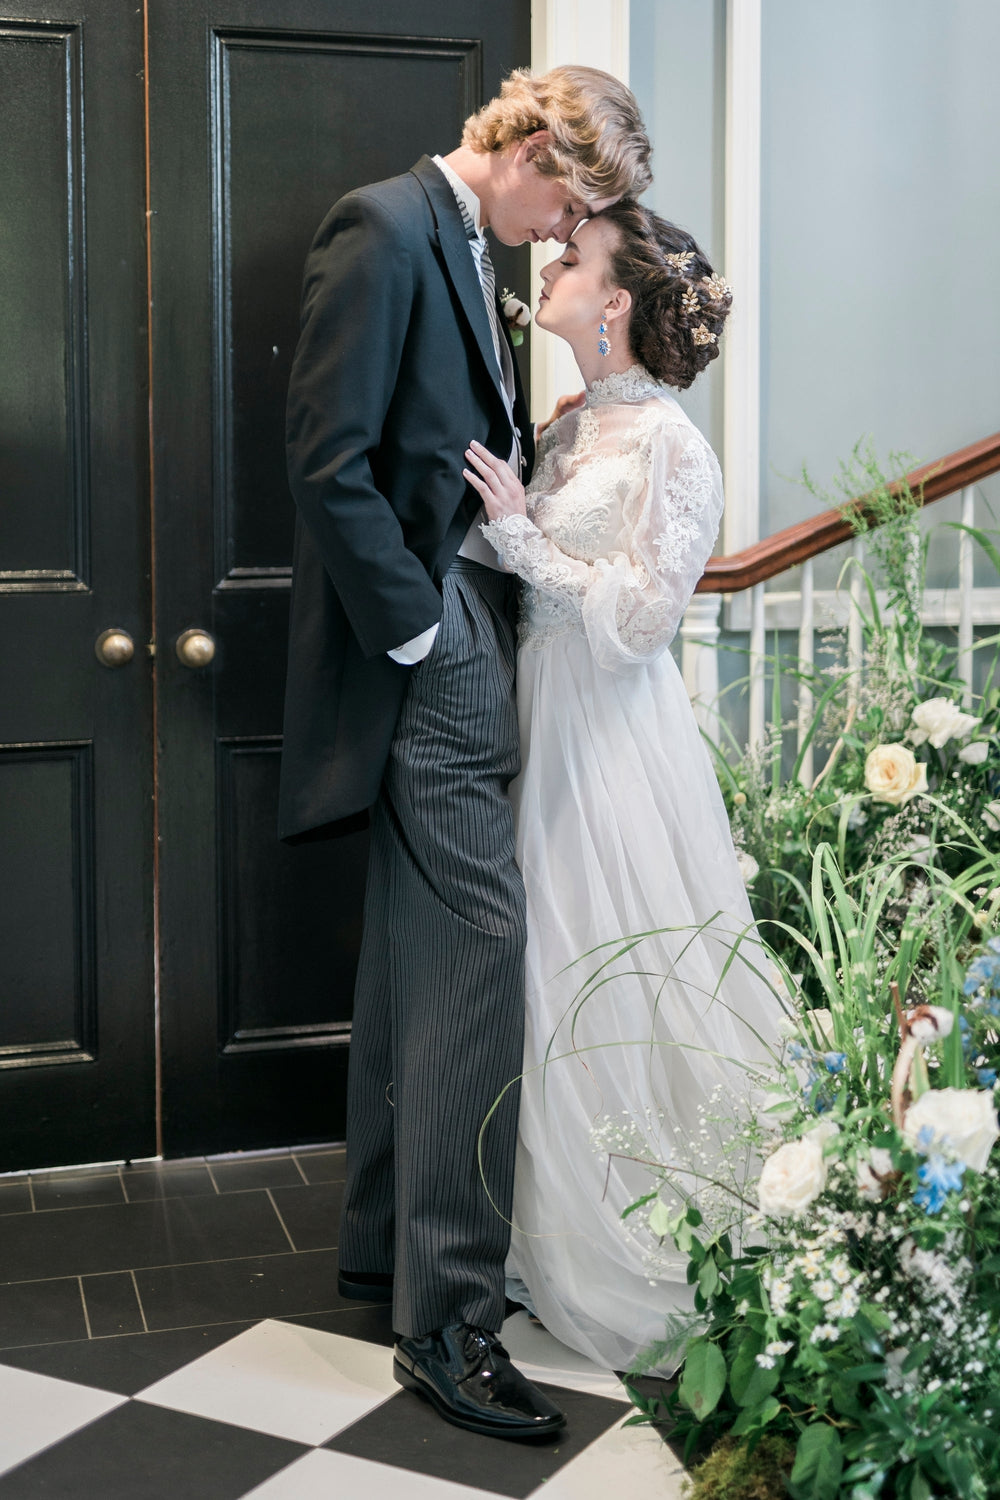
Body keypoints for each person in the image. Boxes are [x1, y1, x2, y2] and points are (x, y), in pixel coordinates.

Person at [278, 70, 652, 1435]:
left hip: (473, 626)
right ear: (537, 148)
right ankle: (449, 1323)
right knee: (482, 956)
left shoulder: (467, 246)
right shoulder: (384, 227)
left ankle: (390, 1249)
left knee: (420, 947)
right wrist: (422, 639)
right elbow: (327, 458)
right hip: (431, 648)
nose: (567, 237)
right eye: (574, 203)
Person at [463, 201, 784, 1372]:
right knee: (537, 973)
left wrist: (519, 539)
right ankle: (533, 1225)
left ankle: (651, 1226)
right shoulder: (568, 429)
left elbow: (644, 621)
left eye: (572, 257)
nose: (548, 263)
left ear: (616, 303)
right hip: (532, 716)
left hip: (610, 740)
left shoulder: (668, 447)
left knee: (607, 960)